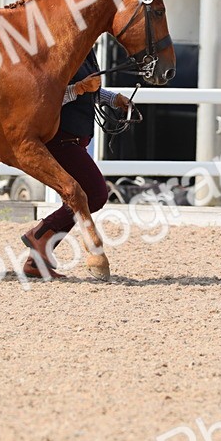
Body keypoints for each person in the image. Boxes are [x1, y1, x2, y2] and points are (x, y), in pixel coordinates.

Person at [20, 49, 135, 279]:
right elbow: (48, 97)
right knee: (95, 194)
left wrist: (114, 99)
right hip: (61, 140)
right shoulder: (60, 53)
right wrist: (79, 88)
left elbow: (92, 92)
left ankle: (36, 262)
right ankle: (39, 233)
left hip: (75, 140)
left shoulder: (86, 52)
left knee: (80, 198)